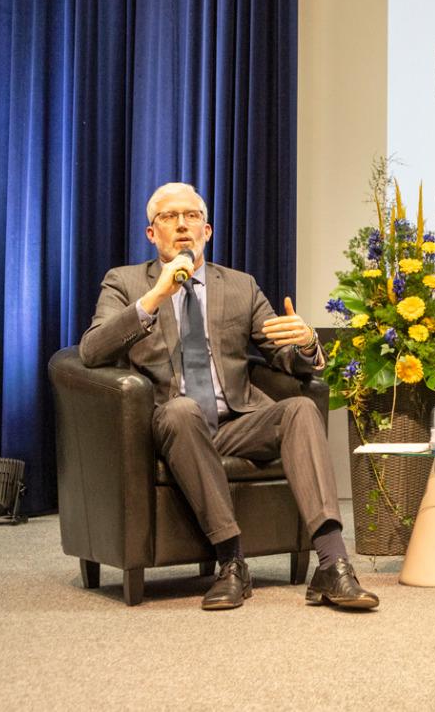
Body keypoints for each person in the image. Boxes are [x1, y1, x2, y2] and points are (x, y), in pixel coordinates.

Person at [79, 182, 378, 611]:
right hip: (173, 424)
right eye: (169, 217)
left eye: (192, 217)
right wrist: (157, 295)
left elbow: (282, 354)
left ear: (208, 230)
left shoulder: (240, 286)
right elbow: (91, 349)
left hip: (237, 422)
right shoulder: (125, 283)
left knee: (299, 408)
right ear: (151, 234)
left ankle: (332, 564)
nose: (182, 225)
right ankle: (232, 561)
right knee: (182, 411)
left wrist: (308, 343)